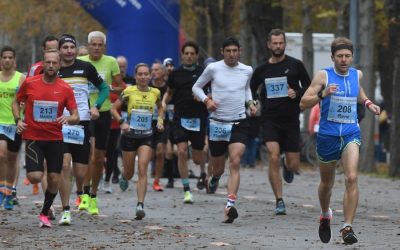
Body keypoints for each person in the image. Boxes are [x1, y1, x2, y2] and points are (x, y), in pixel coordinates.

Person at [299, 37, 380, 244]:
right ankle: (325, 214)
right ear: (332, 57)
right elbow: (303, 103)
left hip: (351, 133)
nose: (344, 60)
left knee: (352, 177)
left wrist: (368, 102)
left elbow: (358, 91)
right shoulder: (323, 76)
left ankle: (347, 227)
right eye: (340, 56)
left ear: (352, 57)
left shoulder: (356, 74)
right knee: (327, 183)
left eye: (347, 56)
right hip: (328, 135)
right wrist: (322, 94)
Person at [12, 49, 79, 228]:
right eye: (47, 62)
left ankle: (44, 213)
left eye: (54, 63)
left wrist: (68, 118)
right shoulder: (30, 83)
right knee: (35, 176)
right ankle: (44, 208)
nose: (50, 66)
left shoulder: (65, 88)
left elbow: (76, 115)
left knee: (55, 179)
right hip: (33, 137)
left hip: (55, 138)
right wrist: (18, 120)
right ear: (43, 63)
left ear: (59, 65)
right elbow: (15, 101)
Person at [193, 37, 256, 223]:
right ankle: (215, 177)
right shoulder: (213, 68)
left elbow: (246, 90)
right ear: (222, 51)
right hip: (217, 123)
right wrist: (207, 101)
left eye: (234, 51)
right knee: (218, 167)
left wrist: (250, 104)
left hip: (238, 122)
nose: (231, 54)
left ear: (240, 51)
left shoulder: (247, 70)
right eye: (228, 51)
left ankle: (230, 204)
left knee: (235, 161)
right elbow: (196, 87)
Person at [250, 29, 311, 215]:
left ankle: (288, 166)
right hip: (269, 119)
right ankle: (279, 200)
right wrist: (253, 104)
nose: (278, 46)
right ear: (269, 45)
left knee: (293, 164)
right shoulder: (261, 70)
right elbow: (251, 90)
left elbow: (309, 86)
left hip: (291, 119)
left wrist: (297, 93)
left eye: (281, 43)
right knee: (273, 155)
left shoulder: (295, 65)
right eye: (274, 43)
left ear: (285, 44)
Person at [57, 34, 109, 225]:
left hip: (82, 124)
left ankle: (82, 192)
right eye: (65, 47)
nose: (69, 51)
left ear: (76, 49)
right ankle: (65, 209)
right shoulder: (53, 69)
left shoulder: (85, 67)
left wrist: (96, 106)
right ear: (60, 50)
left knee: (80, 172)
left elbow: (104, 88)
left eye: (72, 47)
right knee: (64, 164)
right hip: (60, 124)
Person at [111, 63, 164, 220]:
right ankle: (123, 176)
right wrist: (122, 122)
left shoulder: (155, 92)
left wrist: (160, 120)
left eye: (146, 74)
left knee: (142, 168)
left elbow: (161, 107)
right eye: (140, 74)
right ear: (135, 76)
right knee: (129, 173)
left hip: (146, 136)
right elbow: (114, 108)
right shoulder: (128, 91)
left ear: (150, 76)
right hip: (129, 136)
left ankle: (140, 205)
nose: (143, 77)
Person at [78, 31, 123, 215]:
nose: (96, 48)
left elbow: (121, 87)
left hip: (103, 113)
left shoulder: (111, 62)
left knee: (98, 157)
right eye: (93, 44)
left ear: (104, 47)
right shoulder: (81, 61)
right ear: (88, 46)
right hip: (84, 112)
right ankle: (84, 194)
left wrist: (107, 88)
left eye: (100, 45)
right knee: (87, 153)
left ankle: (94, 195)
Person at [162, 41, 208, 203]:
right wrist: (163, 103)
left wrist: (205, 98)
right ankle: (187, 189)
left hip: (198, 118)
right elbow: (169, 92)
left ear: (196, 56)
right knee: (181, 151)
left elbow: (212, 93)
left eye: (192, 54)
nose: (189, 56)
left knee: (196, 158)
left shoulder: (204, 73)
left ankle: (203, 172)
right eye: (186, 53)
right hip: (180, 118)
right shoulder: (175, 74)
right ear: (182, 55)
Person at [0, 46, 25, 210]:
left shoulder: (21, 78)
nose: (7, 60)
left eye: (10, 57)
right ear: (1, 60)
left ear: (14, 60)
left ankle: (9, 192)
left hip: (15, 124)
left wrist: (24, 104)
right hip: (0, 123)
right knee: (1, 154)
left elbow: (27, 98)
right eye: (4, 57)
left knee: (11, 158)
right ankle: (2, 189)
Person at [149, 61, 169, 191]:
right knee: (149, 153)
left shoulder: (168, 88)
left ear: (163, 72)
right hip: (147, 123)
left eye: (156, 70)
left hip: (163, 123)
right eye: (152, 70)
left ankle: (157, 180)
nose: (153, 72)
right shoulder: (147, 86)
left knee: (161, 151)